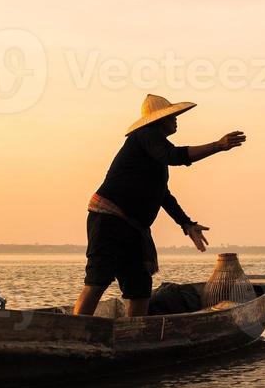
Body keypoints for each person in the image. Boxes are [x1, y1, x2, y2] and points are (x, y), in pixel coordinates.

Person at [74, 95, 245, 318]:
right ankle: (76, 330)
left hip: (134, 227)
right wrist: (217, 146)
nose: (176, 120)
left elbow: (162, 194)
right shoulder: (145, 136)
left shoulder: (155, 151)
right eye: (172, 116)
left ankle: (134, 335)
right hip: (109, 219)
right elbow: (175, 156)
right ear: (158, 120)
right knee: (98, 279)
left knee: (139, 288)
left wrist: (186, 223)